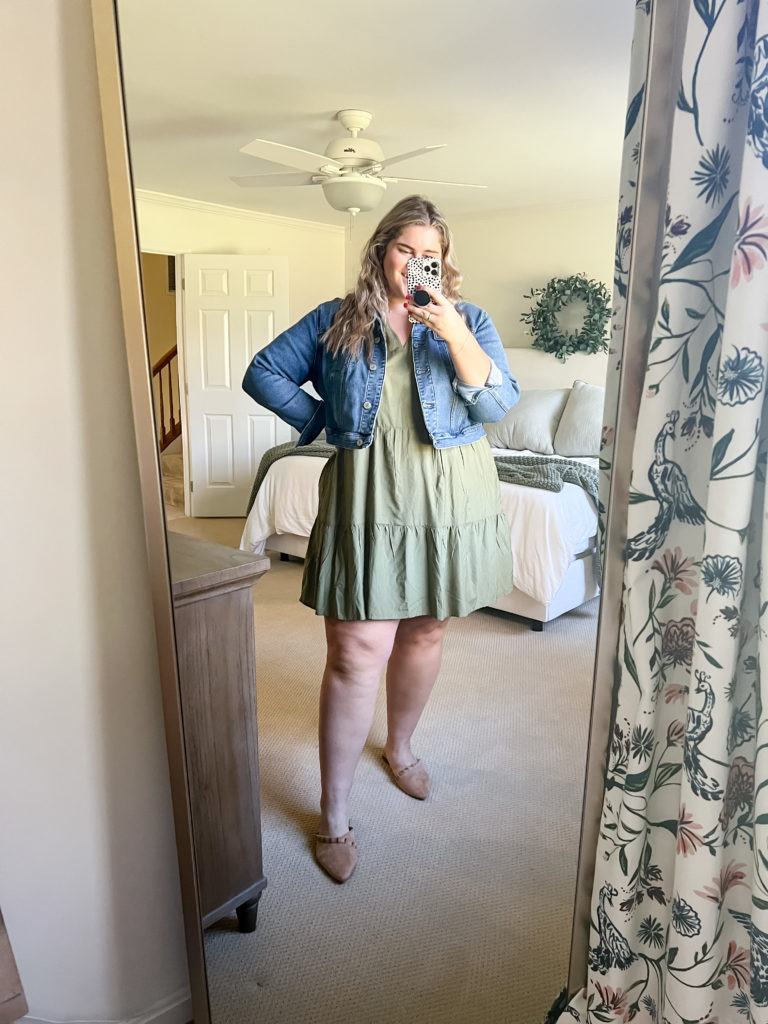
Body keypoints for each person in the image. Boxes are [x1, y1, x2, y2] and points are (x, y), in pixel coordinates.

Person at [243, 195, 519, 883]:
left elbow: (496, 402)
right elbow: (262, 371)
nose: (416, 263)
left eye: (431, 252)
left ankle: (400, 747)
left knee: (426, 631)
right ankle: (334, 813)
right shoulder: (338, 319)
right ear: (380, 251)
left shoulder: (469, 318)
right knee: (355, 649)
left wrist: (452, 330)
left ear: (442, 261)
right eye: (405, 249)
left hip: (451, 493)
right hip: (367, 494)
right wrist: (321, 420)